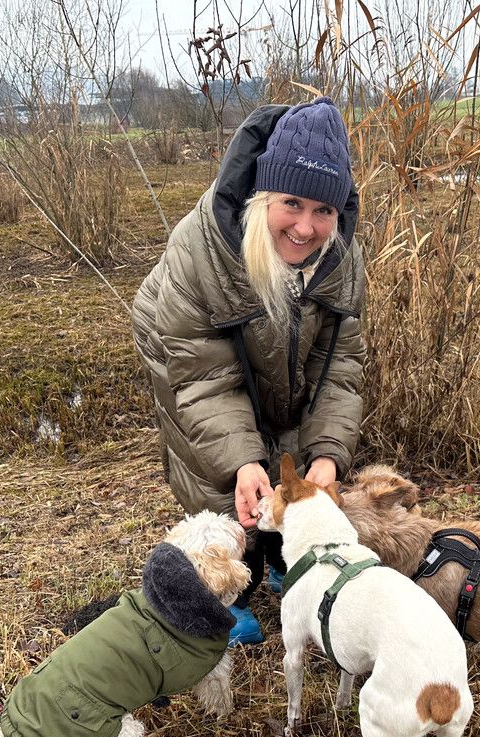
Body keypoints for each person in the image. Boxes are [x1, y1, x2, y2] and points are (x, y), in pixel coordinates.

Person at [131, 97, 366, 646]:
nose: (307, 228)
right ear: (264, 197)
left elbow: (340, 369)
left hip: (274, 353)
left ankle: (284, 553)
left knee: (291, 445)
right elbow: (206, 381)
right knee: (222, 468)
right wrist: (240, 462)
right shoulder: (203, 249)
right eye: (292, 204)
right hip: (184, 353)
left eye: (324, 211)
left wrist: (330, 453)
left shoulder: (342, 259)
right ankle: (223, 595)